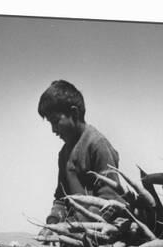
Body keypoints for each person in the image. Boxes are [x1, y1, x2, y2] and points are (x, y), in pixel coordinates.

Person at [37, 79, 122, 226]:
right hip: (75, 230)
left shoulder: (97, 145)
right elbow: (61, 198)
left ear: (74, 113)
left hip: (99, 233)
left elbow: (109, 200)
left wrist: (77, 226)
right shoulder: (64, 154)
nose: (53, 130)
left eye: (56, 121)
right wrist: (53, 223)